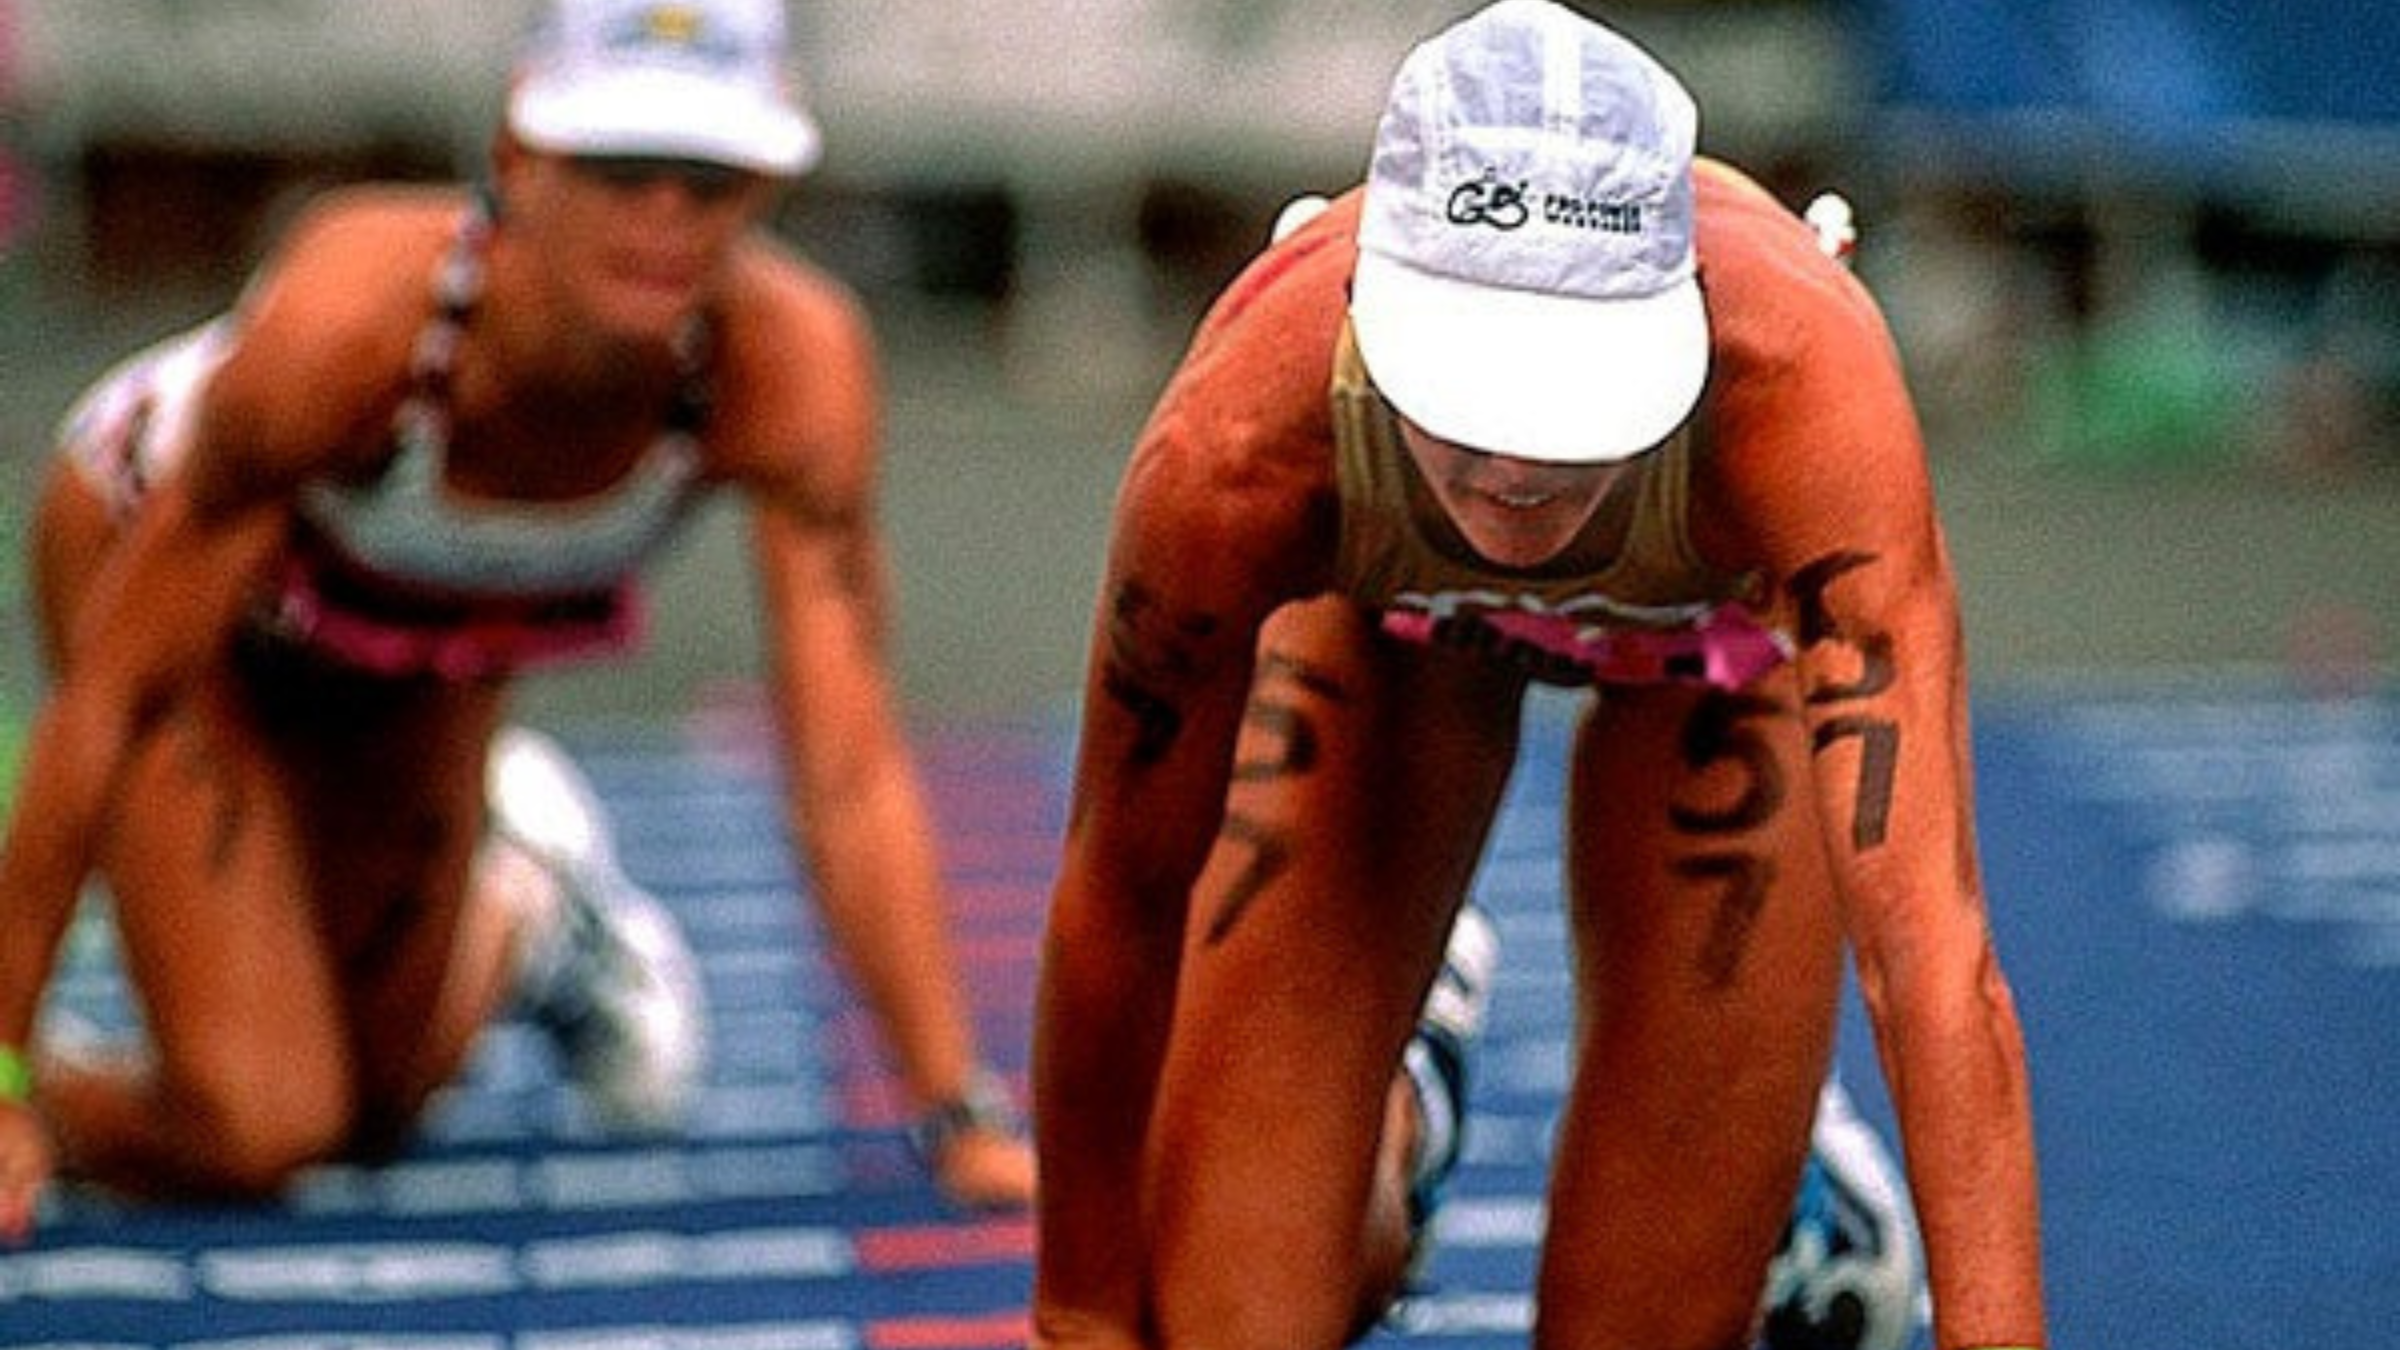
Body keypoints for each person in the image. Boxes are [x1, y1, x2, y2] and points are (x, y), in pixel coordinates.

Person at [1027, 3, 2046, 1349]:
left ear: (1682, 328)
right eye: (1470, 390)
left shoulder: (1804, 384)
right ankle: (1406, 1104)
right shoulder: (1240, 439)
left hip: (1716, 672)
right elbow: (1123, 886)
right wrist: (1078, 1316)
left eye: (1572, 392)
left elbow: (1931, 959)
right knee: (1224, 1324)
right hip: (1387, 642)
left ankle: (1790, 1201)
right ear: (1364, 316)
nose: (1515, 467)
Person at [0, 0, 1033, 1240]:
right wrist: (2, 1068)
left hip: (427, 637)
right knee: (259, 1123)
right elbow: (107, 706)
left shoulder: (793, 366)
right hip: (188, 626)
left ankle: (531, 909)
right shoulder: (350, 328)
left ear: (767, 188)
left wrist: (955, 1112)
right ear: (517, 157)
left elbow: (848, 764)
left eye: (710, 181)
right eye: (619, 169)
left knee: (375, 1109)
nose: (663, 219)